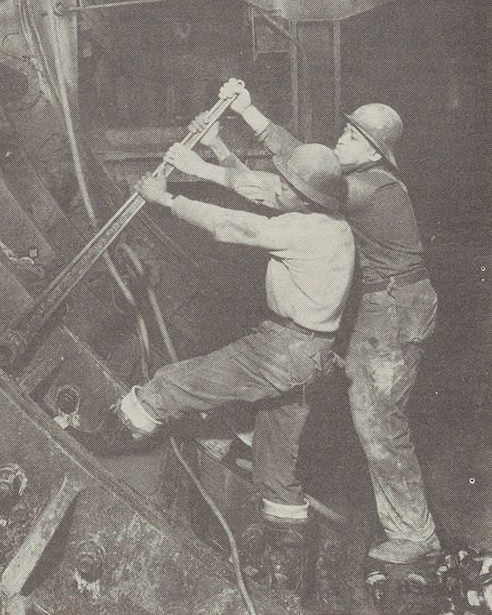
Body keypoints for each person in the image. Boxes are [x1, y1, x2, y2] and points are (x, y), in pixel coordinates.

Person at [71, 138, 354, 594]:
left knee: (169, 386)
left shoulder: (305, 230)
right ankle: (289, 579)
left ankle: (102, 445)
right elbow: (258, 188)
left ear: (304, 197)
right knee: (277, 467)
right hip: (313, 357)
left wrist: (167, 199)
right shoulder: (332, 222)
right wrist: (208, 155)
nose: (276, 187)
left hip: (282, 350)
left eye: (286, 184)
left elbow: (230, 225)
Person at [214, 78, 441, 565]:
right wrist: (250, 112)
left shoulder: (368, 188)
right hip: (388, 304)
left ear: (378, 155)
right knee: (327, 375)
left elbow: (290, 184)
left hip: (397, 310)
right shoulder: (359, 179)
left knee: (379, 421)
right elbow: (305, 163)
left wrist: (207, 166)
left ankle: (415, 533)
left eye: (357, 138)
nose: (342, 140)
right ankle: (260, 438)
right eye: (346, 129)